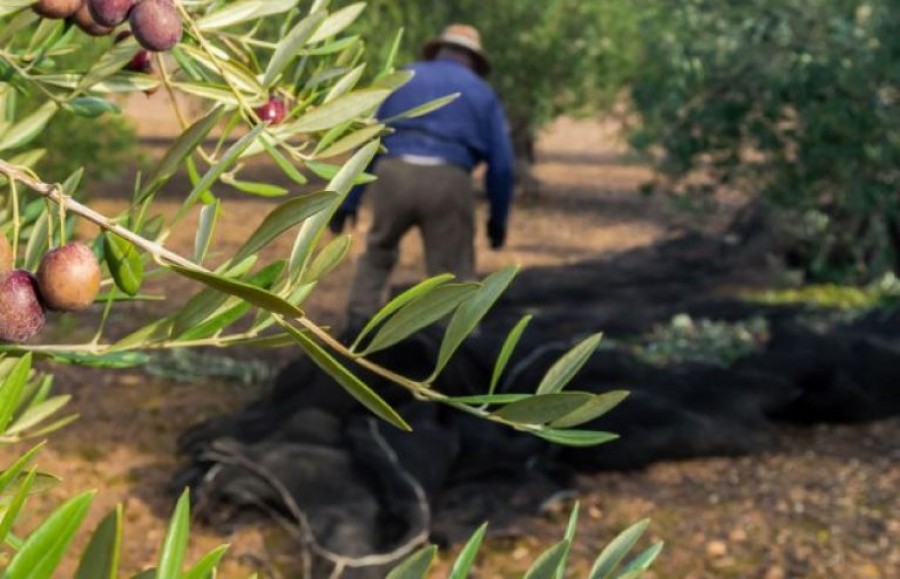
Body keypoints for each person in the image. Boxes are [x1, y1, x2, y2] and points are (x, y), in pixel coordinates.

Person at [329, 24, 515, 327]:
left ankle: (357, 330)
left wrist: (347, 201)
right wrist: (498, 219)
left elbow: (367, 140)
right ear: (473, 60)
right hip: (448, 178)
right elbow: (503, 164)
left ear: (439, 50)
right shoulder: (482, 92)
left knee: (378, 251)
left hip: (394, 172)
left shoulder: (405, 76)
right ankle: (451, 346)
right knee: (451, 274)